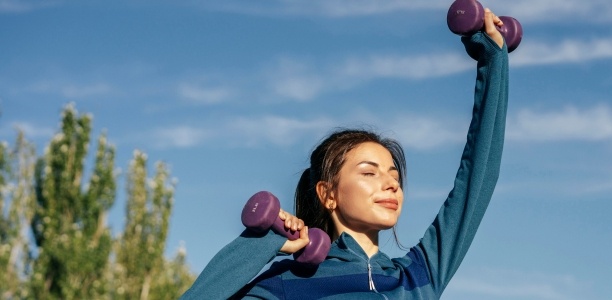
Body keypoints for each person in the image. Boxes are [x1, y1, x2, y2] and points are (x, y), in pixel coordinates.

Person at [182, 8, 510, 300]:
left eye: (394, 176)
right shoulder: (287, 284)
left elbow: (477, 180)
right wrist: (259, 244)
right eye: (369, 172)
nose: (391, 185)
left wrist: (493, 58)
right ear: (327, 194)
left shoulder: (417, 277)